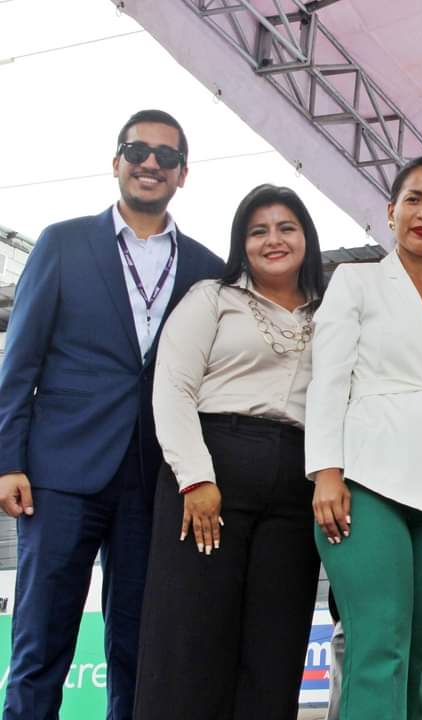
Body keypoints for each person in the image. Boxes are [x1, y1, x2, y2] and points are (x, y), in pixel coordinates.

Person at [0, 110, 222, 720]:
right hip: (59, 475)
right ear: (116, 161)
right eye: (137, 150)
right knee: (40, 640)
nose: (151, 163)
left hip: (153, 481)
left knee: (138, 648)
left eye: (166, 156)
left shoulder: (206, 268)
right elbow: (19, 362)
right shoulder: (62, 242)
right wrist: (7, 461)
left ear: (183, 174)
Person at [132, 184, 324, 719]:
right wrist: (195, 478)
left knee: (274, 649)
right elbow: (173, 388)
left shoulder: (331, 312)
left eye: (286, 228)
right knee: (190, 643)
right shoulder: (212, 298)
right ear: (242, 243)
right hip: (211, 473)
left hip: (296, 487)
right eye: (258, 231)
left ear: (306, 237)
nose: (273, 240)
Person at [305, 156, 422, 720]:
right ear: (391, 211)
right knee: (379, 645)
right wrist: (326, 472)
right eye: (414, 199)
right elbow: (328, 379)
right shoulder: (356, 281)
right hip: (366, 481)